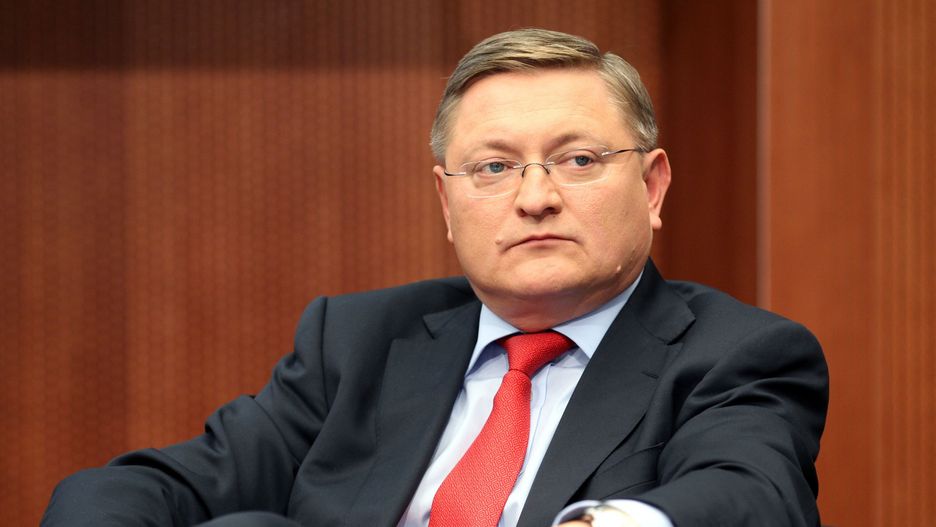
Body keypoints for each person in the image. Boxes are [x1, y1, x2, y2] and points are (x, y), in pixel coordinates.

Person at [42, 28, 828, 527]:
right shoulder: (358, 341)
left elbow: (753, 495)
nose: (535, 197)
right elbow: (149, 488)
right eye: (494, 167)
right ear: (448, 204)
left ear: (652, 188)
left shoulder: (737, 354)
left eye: (578, 159)